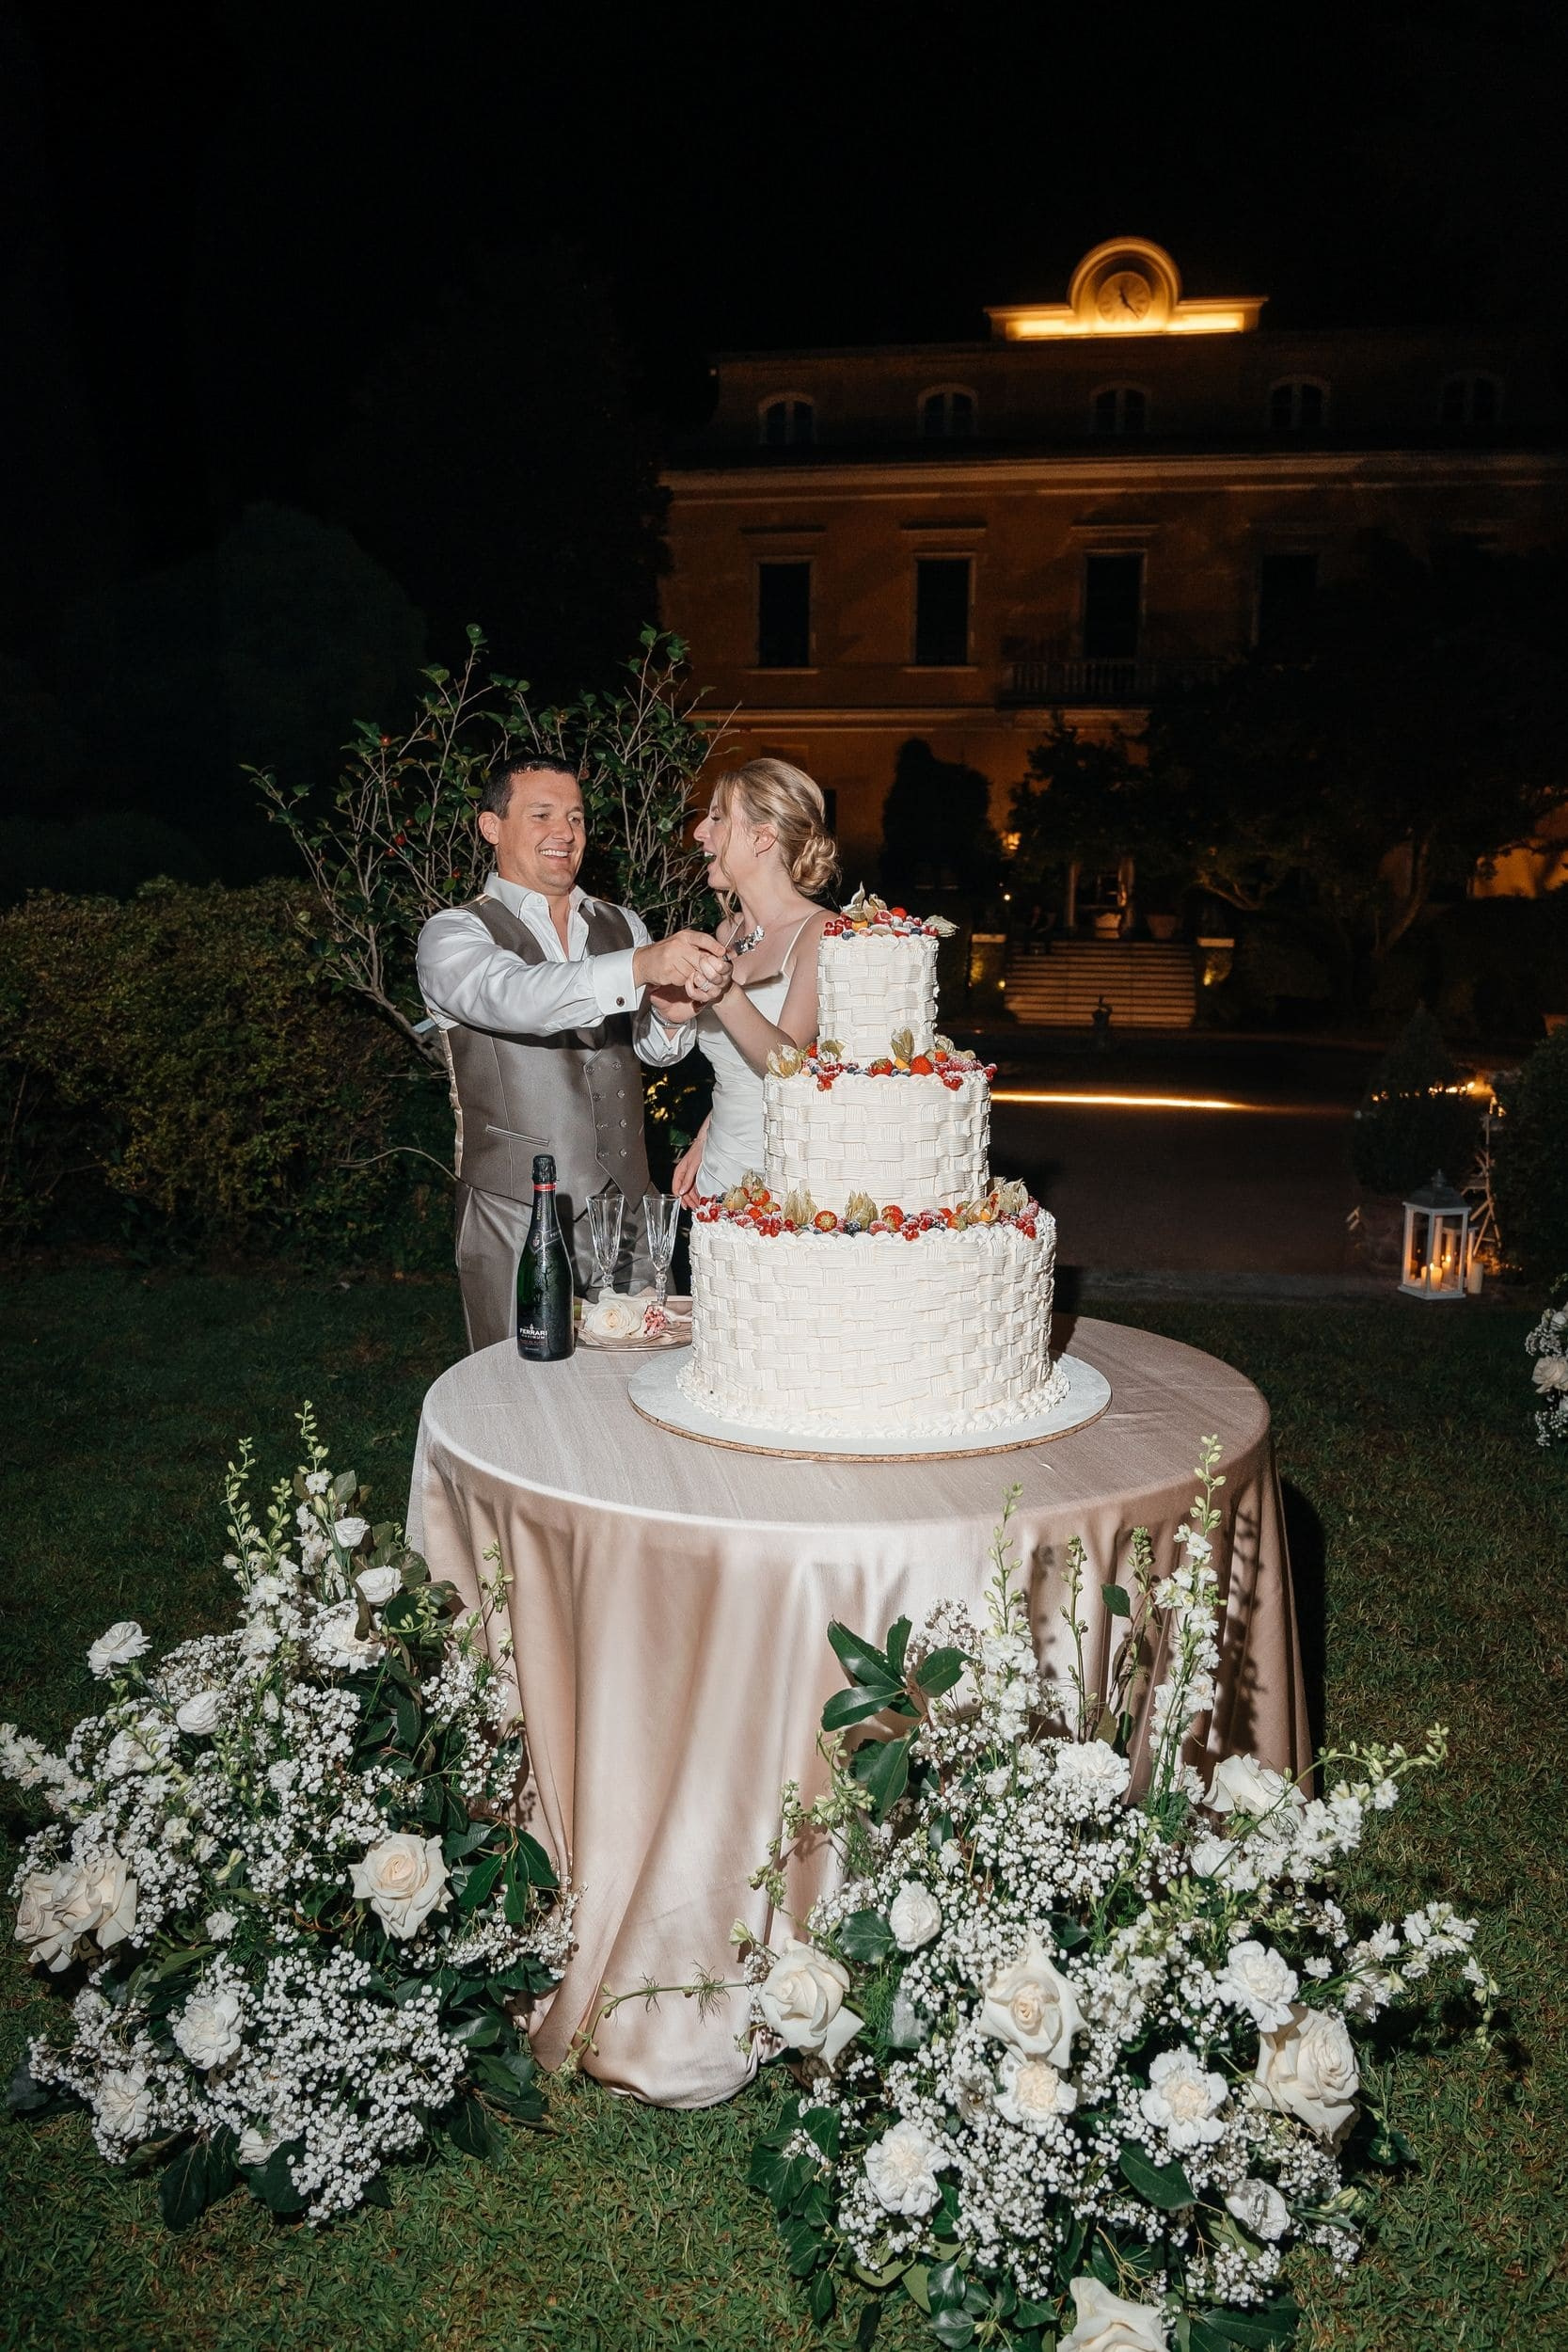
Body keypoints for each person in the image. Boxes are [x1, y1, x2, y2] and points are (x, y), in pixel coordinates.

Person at [417, 750, 731, 1351]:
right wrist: (640, 967)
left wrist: (670, 1019)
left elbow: (649, 1049)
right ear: (492, 826)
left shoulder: (622, 924)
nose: (565, 832)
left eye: (577, 818)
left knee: (636, 1378)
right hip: (515, 1211)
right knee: (520, 1384)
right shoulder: (454, 934)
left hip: (630, 1206)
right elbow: (515, 999)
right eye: (542, 814)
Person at [671, 758, 839, 1202]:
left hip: (783, 1178)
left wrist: (723, 993)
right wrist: (705, 1139)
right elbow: (738, 1070)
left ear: (762, 837)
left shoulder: (823, 934)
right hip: (719, 1168)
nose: (699, 833)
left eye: (718, 817)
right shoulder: (728, 934)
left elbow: (783, 1064)